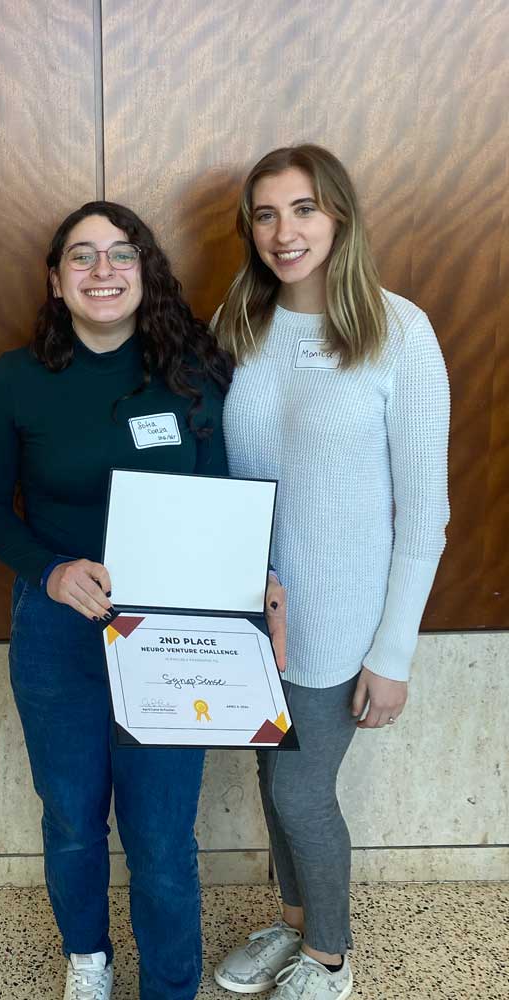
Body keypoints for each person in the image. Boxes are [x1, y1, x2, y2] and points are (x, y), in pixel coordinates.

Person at [0, 200, 242, 1000]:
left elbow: (218, 497)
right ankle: (87, 955)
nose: (102, 272)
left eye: (121, 255)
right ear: (55, 281)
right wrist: (50, 571)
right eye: (81, 258)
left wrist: (246, 580)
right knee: (73, 821)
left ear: (144, 271)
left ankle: (170, 984)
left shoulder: (190, 372)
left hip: (172, 634)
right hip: (59, 634)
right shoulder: (14, 381)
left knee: (161, 838)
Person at [212, 145, 449, 1000]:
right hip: (244, 615)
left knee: (303, 786)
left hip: (340, 621)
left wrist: (394, 655)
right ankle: (298, 917)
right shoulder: (236, 326)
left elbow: (426, 516)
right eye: (267, 214)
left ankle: (331, 955)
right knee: (273, 778)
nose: (286, 231)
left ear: (339, 215)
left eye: (304, 209)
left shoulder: (398, 331)